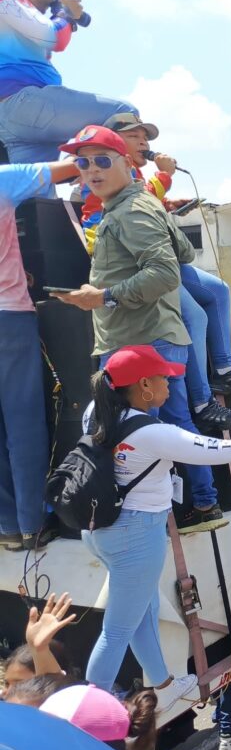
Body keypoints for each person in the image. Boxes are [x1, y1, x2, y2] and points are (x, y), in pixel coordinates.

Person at [82, 345, 231, 712]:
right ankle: (90, 708)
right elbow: (221, 451)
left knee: (143, 612)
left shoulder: (95, 412)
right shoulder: (150, 431)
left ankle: (165, 684)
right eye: (165, 377)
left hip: (104, 530)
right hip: (136, 536)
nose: (172, 382)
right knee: (118, 629)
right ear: (145, 386)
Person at [54, 127, 223, 527]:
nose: (90, 170)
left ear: (126, 163)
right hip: (157, 339)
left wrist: (103, 296)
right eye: (82, 162)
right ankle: (203, 504)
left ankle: (156, 518)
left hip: (139, 343)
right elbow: (184, 251)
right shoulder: (138, 203)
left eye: (101, 160)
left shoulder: (130, 210)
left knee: (140, 435)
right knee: (172, 427)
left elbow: (166, 272)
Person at [0, 157, 79, 551]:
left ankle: (9, 527)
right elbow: (69, 167)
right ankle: (33, 524)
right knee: (24, 426)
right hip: (9, 317)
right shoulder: (3, 179)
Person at [0, 0, 137, 167]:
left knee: (36, 191)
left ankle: (82, 168)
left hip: (13, 117)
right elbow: (53, 36)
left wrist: (62, 13)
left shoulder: (17, 20)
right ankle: (96, 176)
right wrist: (66, 13)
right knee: (123, 114)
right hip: (25, 103)